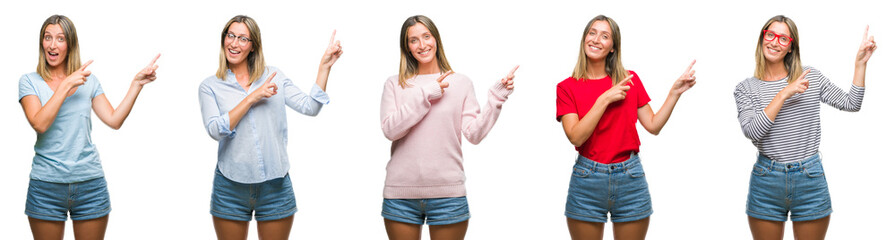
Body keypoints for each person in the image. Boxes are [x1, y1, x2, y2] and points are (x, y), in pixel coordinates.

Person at [198, 15, 342, 240]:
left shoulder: (274, 76)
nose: (234, 43)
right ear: (223, 39)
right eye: (231, 36)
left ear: (253, 45)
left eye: (243, 39)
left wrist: (324, 68)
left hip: (275, 185)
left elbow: (310, 107)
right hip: (230, 187)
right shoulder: (210, 86)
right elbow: (215, 130)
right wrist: (250, 98)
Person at [734, 15, 876, 240]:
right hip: (767, 180)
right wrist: (784, 93)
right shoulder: (746, 89)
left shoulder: (811, 77)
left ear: (791, 47)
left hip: (809, 178)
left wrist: (860, 64)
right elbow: (752, 131)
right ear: (762, 39)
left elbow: (852, 104)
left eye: (783, 38)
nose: (774, 42)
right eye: (770, 35)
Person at [19, 14, 159, 240]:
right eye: (48, 38)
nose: (52, 45)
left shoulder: (88, 81)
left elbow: (114, 120)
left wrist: (136, 85)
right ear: (41, 42)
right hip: (46, 186)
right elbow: (39, 123)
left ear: (70, 45)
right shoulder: (29, 82)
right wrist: (65, 84)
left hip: (90, 185)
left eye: (60, 39)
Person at [556, 15, 696, 240]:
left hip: (630, 177)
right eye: (592, 33)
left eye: (605, 36)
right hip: (587, 180)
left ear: (613, 47)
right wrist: (605, 99)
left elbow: (653, 125)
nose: (596, 39)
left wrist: (674, 93)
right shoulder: (566, 88)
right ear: (584, 39)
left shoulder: (629, 80)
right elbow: (576, 137)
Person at [379, 15, 517, 240]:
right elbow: (391, 130)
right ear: (407, 47)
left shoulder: (461, 83)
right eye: (414, 40)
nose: (422, 45)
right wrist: (426, 94)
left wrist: (495, 100)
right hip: (400, 195)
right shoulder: (394, 84)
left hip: (448, 195)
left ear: (436, 39)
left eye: (426, 36)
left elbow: (474, 134)